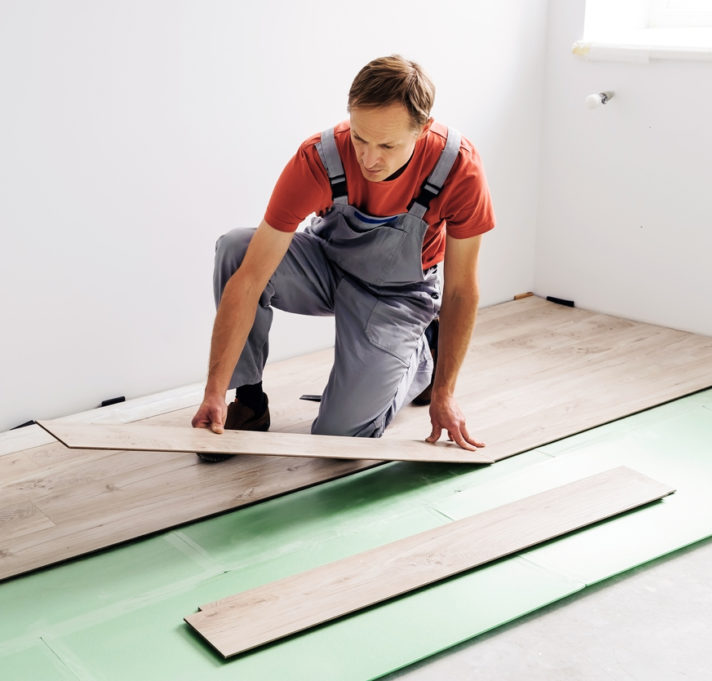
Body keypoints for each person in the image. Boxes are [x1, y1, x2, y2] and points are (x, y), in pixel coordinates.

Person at [190, 55, 495, 460]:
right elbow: (248, 280)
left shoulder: (458, 168)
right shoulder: (318, 157)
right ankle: (248, 400)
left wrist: (445, 392)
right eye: (360, 138)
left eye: (387, 145)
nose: (369, 159)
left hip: (397, 296)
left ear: (422, 130)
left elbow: (459, 291)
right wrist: (214, 392)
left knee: (338, 440)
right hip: (328, 265)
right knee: (236, 248)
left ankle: (420, 359)